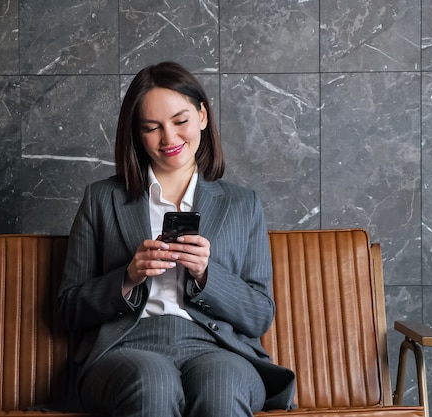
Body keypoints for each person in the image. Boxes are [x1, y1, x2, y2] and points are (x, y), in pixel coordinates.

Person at [57, 61, 295, 417]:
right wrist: (128, 277)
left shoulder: (242, 204)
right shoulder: (101, 199)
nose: (169, 138)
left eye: (180, 121)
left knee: (223, 387)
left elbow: (260, 314)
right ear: (137, 134)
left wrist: (206, 275)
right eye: (152, 128)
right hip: (128, 347)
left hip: (218, 348)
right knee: (152, 383)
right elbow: (67, 309)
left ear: (202, 116)